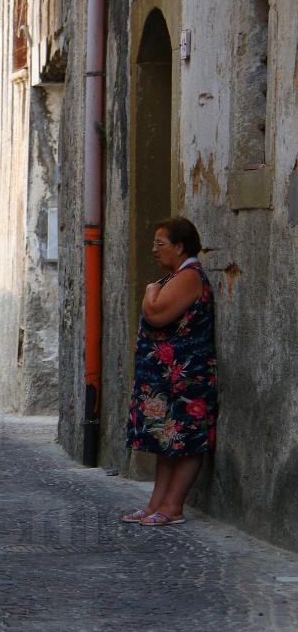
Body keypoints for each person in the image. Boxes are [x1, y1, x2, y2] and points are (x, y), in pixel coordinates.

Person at [122, 217, 217, 526]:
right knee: (168, 441)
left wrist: (150, 291)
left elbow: (157, 313)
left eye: (160, 244)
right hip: (170, 379)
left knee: (188, 441)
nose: (154, 250)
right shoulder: (179, 276)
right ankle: (156, 503)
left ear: (179, 247)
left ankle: (173, 506)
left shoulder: (190, 276)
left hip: (186, 380)